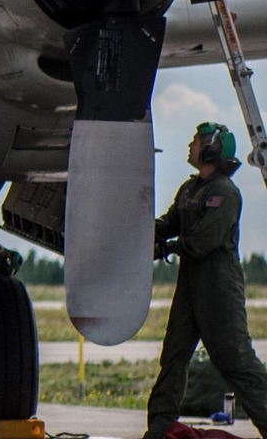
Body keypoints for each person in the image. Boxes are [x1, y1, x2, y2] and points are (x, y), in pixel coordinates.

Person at [146, 122, 267, 439]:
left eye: (196, 141)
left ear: (212, 149)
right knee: (173, 356)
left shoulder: (225, 192)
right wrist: (142, 228)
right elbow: (170, 223)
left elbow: (204, 240)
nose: (190, 145)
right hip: (190, 286)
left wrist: (167, 248)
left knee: (236, 361)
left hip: (219, 288)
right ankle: (160, 427)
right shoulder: (190, 190)